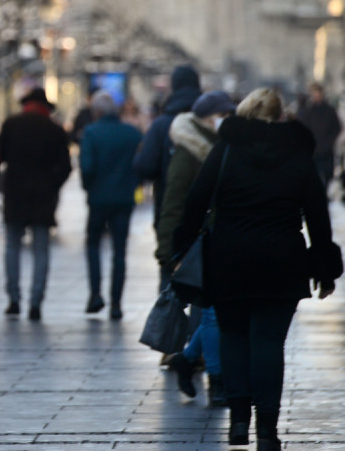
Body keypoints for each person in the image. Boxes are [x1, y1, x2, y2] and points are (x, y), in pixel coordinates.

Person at [173, 88, 342, 449]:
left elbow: (195, 202)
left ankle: (237, 421)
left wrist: (180, 250)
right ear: (281, 115)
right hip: (282, 261)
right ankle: (266, 430)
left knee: (233, 338)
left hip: (229, 258)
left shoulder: (226, 150)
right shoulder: (297, 153)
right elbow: (317, 213)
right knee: (268, 343)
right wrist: (324, 268)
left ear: (246, 113)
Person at [156, 90, 237, 406]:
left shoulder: (219, 147)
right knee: (213, 314)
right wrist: (168, 252)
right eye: (224, 115)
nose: (228, 120)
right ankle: (217, 382)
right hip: (200, 246)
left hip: (217, 241)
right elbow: (173, 205)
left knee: (213, 314)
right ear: (208, 118)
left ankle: (187, 359)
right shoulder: (190, 152)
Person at [0, 87, 72, 321]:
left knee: (12, 247)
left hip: (15, 194)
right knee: (41, 249)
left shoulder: (11, 124)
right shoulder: (54, 129)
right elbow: (66, 166)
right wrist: (52, 185)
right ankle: (36, 302)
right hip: (43, 196)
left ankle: (14, 299)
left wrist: (1, 185)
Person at [133, 64, 201, 290]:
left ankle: (169, 322)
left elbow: (145, 167)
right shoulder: (208, 123)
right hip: (206, 215)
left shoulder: (163, 124)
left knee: (168, 277)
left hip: (169, 209)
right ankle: (196, 324)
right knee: (203, 280)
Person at [79, 90, 143, 320]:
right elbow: (142, 165)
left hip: (98, 199)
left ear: (96, 112)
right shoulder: (132, 133)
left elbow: (86, 168)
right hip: (124, 199)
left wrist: (89, 188)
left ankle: (95, 294)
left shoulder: (91, 132)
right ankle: (116, 303)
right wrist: (134, 184)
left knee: (93, 245)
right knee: (119, 251)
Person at [294, 81, 341, 191]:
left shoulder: (330, 111)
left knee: (327, 177)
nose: (317, 96)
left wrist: (329, 142)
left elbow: (336, 128)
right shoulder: (306, 112)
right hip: (313, 151)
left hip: (326, 150)